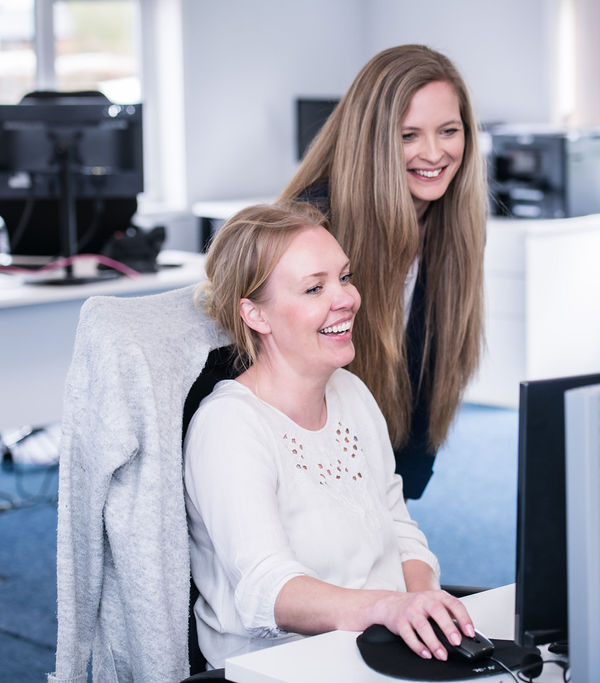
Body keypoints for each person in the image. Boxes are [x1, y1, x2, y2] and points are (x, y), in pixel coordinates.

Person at [185, 201, 476, 670]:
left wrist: (426, 609)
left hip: (381, 646)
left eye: (344, 277)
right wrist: (387, 608)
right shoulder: (229, 428)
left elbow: (400, 530)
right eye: (314, 288)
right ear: (255, 314)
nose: (346, 298)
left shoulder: (351, 394)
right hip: (285, 666)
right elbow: (269, 590)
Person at [279, 44, 487, 500]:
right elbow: (284, 387)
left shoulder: (449, 222)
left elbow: (428, 371)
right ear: (372, 139)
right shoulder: (314, 229)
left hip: (383, 478)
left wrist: (397, 503)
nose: (434, 153)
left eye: (449, 131)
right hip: (307, 479)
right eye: (408, 135)